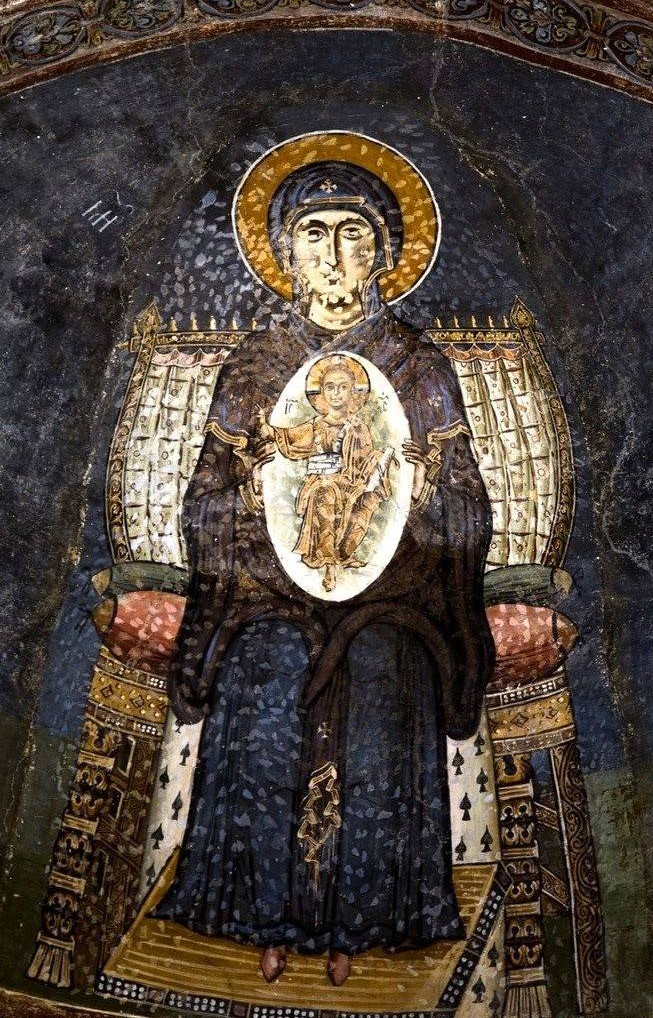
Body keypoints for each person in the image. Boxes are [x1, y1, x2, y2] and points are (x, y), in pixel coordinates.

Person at [152, 151, 494, 988]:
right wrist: (243, 497)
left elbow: (465, 505)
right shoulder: (255, 365)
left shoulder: (417, 366)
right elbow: (204, 498)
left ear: (382, 254)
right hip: (268, 594)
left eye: (352, 234)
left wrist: (424, 504)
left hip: (393, 602)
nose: (334, 254)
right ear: (285, 253)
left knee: (384, 676)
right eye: (313, 233)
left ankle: (368, 920)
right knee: (265, 675)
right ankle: (253, 915)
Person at [259, 354, 397, 592]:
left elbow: (365, 458)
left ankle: (344, 553)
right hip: (320, 482)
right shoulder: (315, 426)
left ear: (353, 393)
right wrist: (267, 428)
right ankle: (330, 565)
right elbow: (288, 437)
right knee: (327, 493)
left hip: (350, 482)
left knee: (368, 500)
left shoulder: (358, 427)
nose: (336, 393)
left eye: (343, 387)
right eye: (330, 387)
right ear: (321, 393)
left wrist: (378, 461)